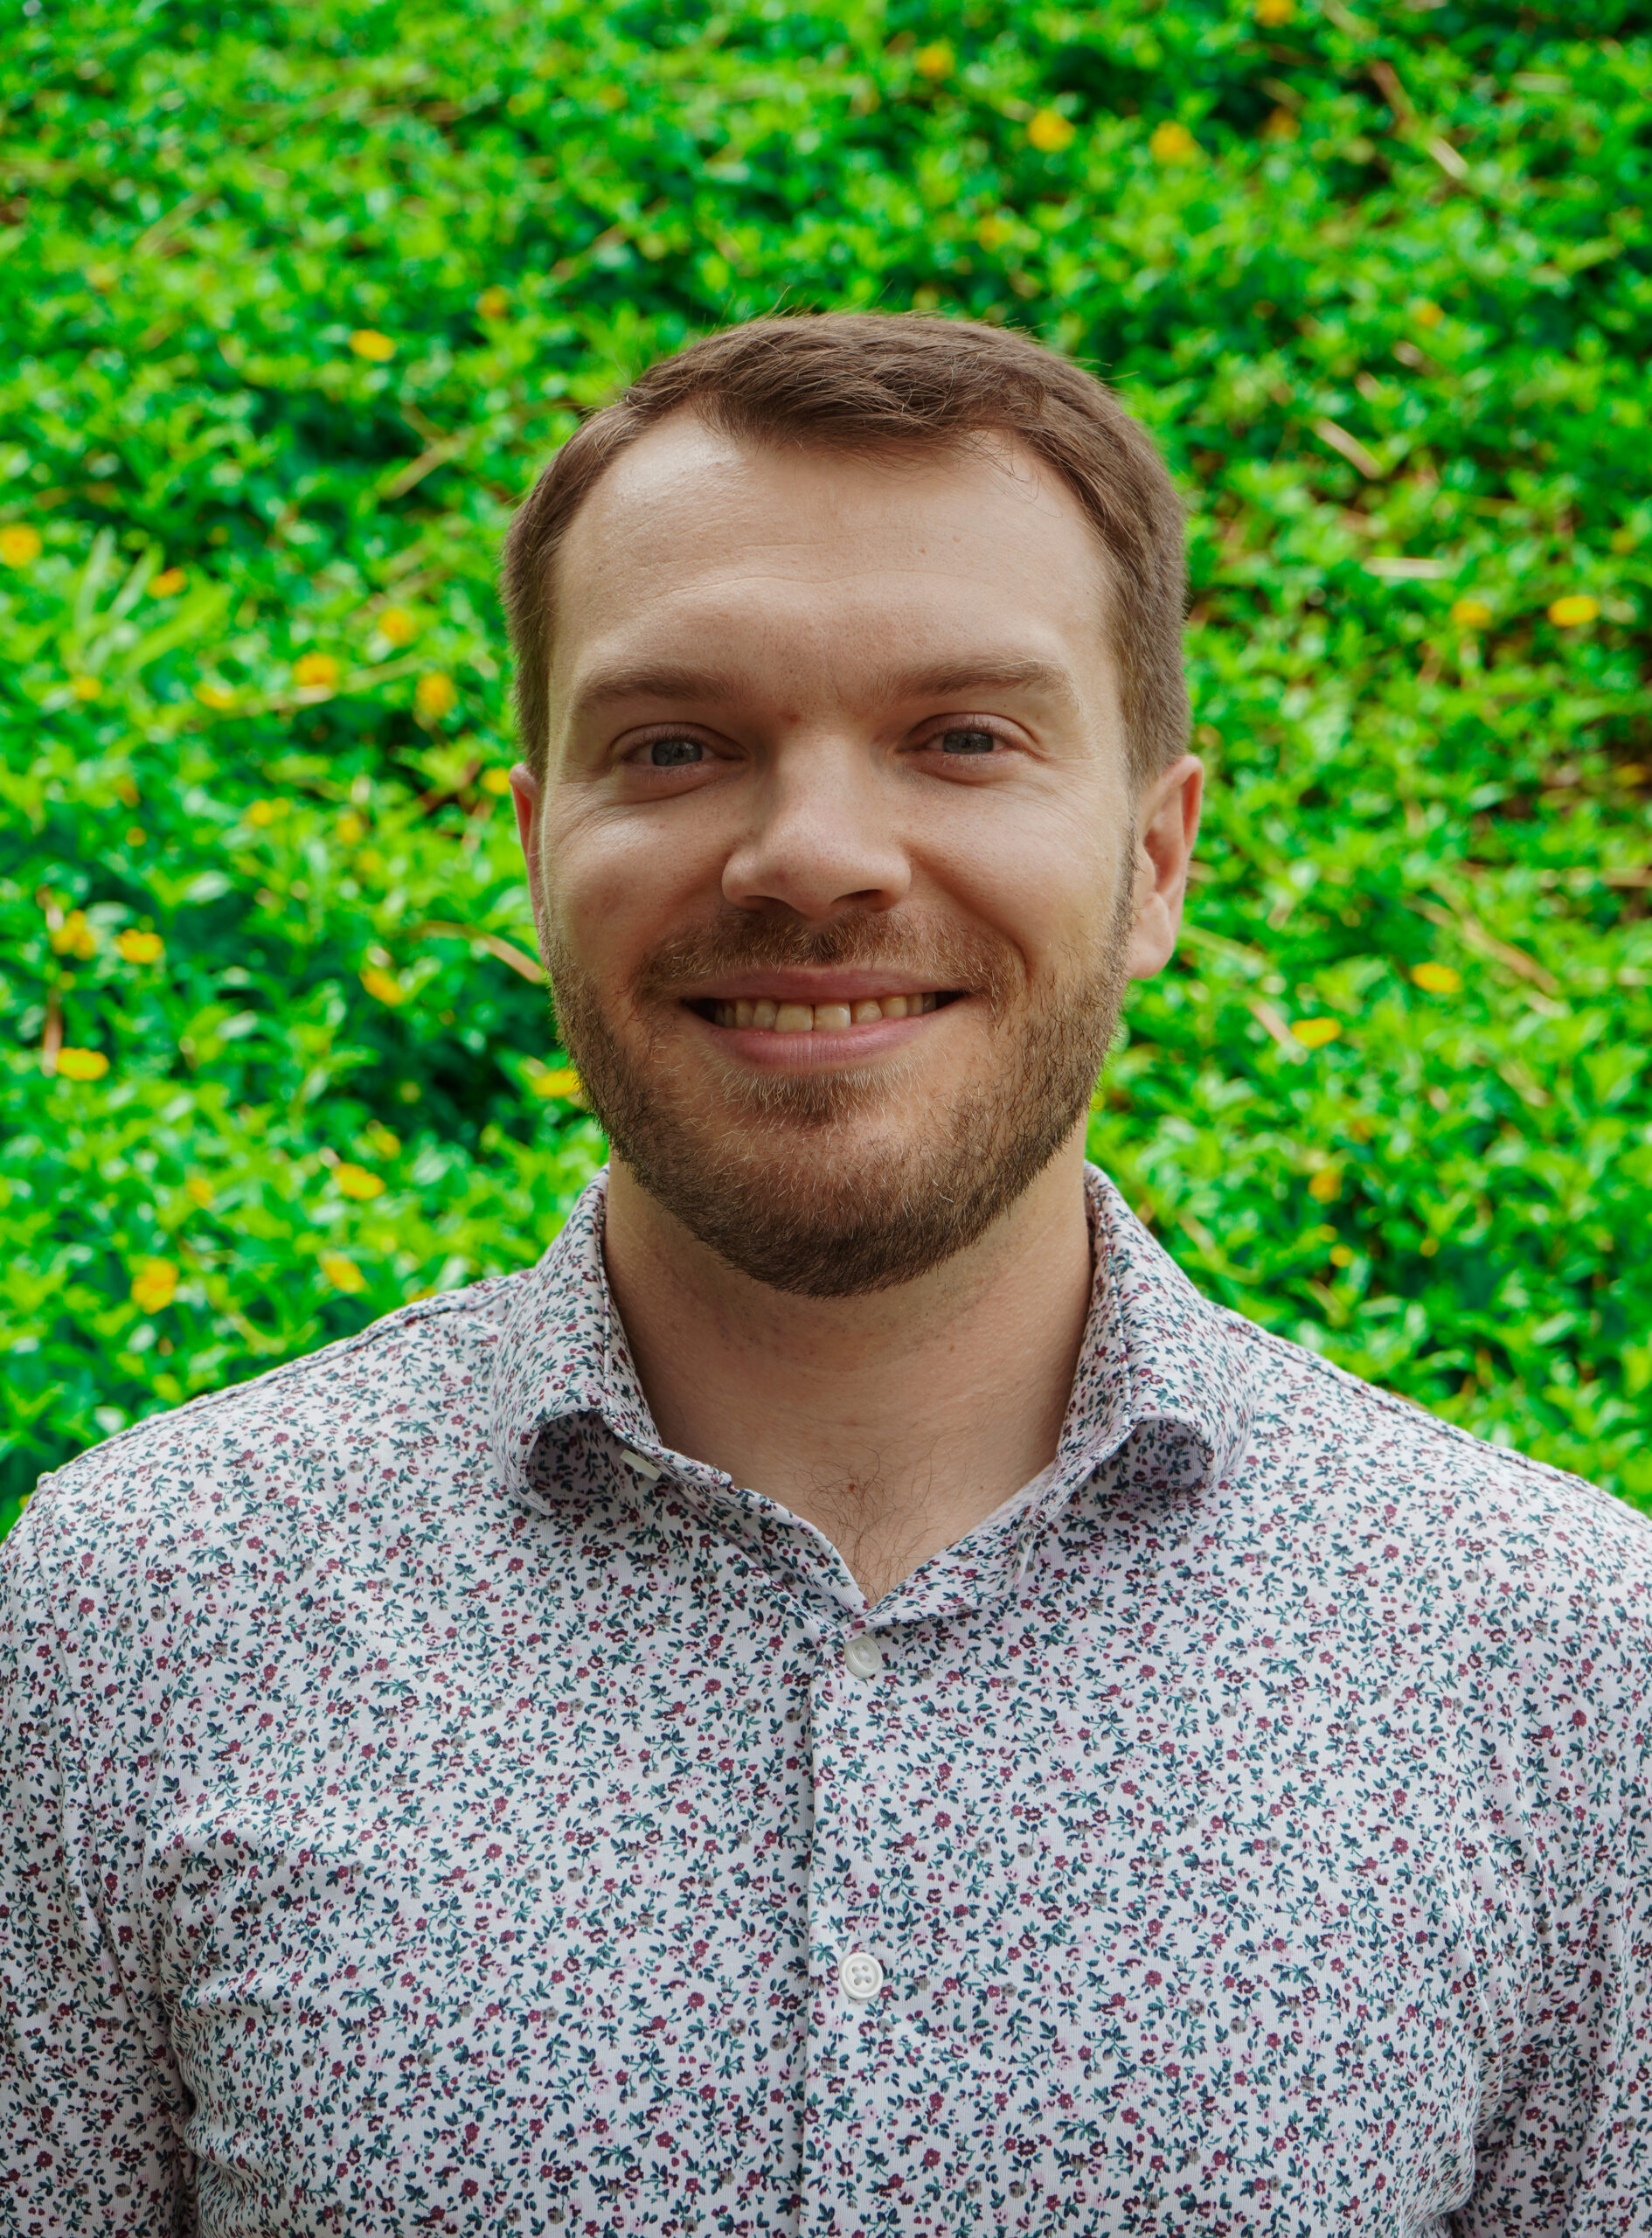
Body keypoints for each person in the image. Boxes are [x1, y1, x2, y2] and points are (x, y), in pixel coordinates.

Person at [3, 313, 1649, 2237]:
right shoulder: (141, 1609)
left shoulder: (1561, 1665)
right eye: (675, 745)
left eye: (963, 737)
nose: (812, 858)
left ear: (1157, 857)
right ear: (536, 849)